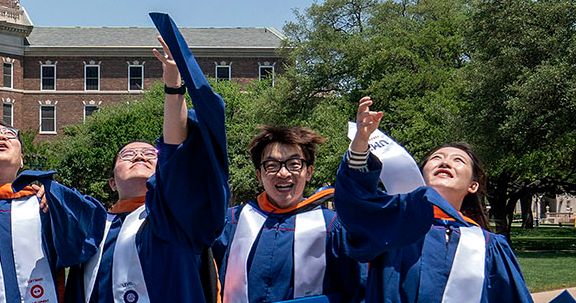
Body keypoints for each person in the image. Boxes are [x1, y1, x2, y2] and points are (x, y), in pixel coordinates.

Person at [77, 36, 232, 303]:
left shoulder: (173, 218)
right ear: (112, 181)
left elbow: (176, 150)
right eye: (127, 154)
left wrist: (173, 86)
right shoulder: (93, 229)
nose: (139, 155)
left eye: (150, 153)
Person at [338, 97, 534, 303]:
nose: (446, 162)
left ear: (473, 185)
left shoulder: (488, 246)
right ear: (421, 175)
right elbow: (355, 200)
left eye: (458, 160)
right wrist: (361, 142)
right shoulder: (392, 226)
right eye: (436, 158)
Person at [0, 118, 104, 303]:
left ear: (21, 160)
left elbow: (86, 241)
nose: (1, 136)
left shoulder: (46, 207)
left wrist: (59, 198)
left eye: (10, 134)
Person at [215, 123, 363, 303]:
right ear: (259, 175)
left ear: (308, 172)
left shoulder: (330, 227)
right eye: (271, 165)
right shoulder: (232, 223)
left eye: (294, 164)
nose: (283, 173)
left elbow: (359, 289)